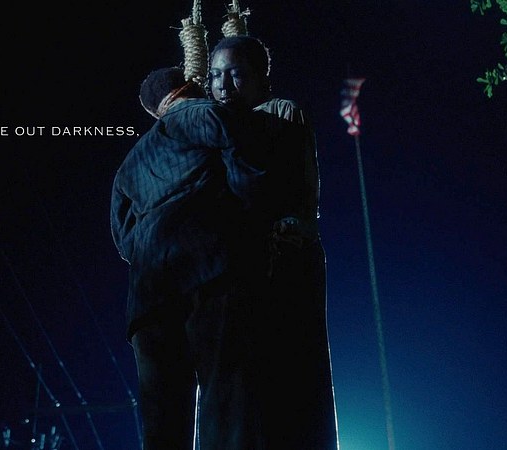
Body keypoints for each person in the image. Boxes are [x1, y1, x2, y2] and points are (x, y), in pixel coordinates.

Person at [111, 66, 271, 450]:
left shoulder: (128, 165)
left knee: (162, 428)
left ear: (154, 110)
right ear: (188, 86)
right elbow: (246, 167)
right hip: (209, 275)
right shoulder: (200, 114)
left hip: (148, 301)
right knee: (225, 406)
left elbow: (124, 241)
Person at [201, 34, 339, 449]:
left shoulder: (281, 112)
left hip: (284, 256)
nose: (224, 85)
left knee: (290, 378)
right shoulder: (210, 124)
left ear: (260, 76)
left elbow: (299, 185)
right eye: (216, 76)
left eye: (236, 74)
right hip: (234, 270)